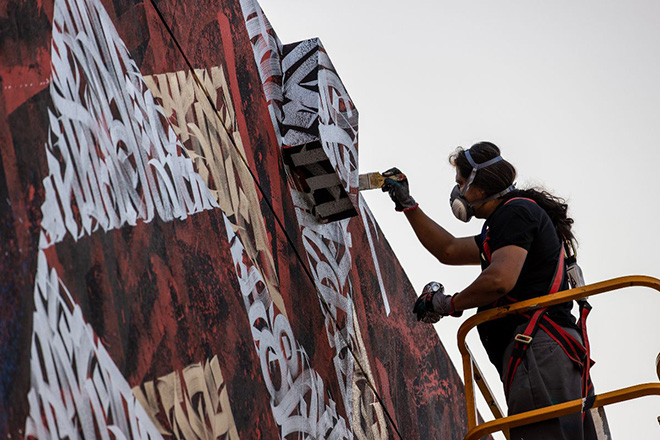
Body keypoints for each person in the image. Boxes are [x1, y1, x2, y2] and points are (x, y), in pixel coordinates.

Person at [382, 141, 605, 440]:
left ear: (480, 185)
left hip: (538, 351)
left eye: (461, 183)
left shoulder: (514, 213)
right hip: (547, 353)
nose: (458, 192)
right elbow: (448, 250)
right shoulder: (506, 223)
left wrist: (448, 304)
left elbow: (500, 279)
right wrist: (407, 204)